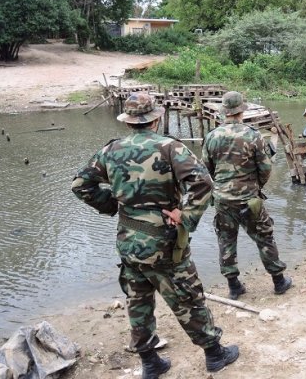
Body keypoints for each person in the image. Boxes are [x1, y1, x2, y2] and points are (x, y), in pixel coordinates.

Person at [71, 93, 238, 378]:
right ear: (156, 118)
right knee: (187, 296)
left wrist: (114, 205)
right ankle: (214, 354)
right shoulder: (170, 147)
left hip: (128, 241)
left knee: (138, 300)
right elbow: (203, 183)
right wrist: (186, 217)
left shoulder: (110, 150)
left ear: (127, 123)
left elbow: (81, 185)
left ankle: (150, 363)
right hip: (164, 240)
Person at [202, 91, 292, 300]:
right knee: (264, 236)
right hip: (249, 198)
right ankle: (279, 282)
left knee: (226, 241)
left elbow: (206, 169)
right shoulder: (253, 135)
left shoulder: (211, 136)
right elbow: (265, 168)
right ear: (242, 110)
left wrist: (221, 187)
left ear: (224, 112)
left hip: (223, 199)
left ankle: (234, 287)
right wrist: (256, 186)